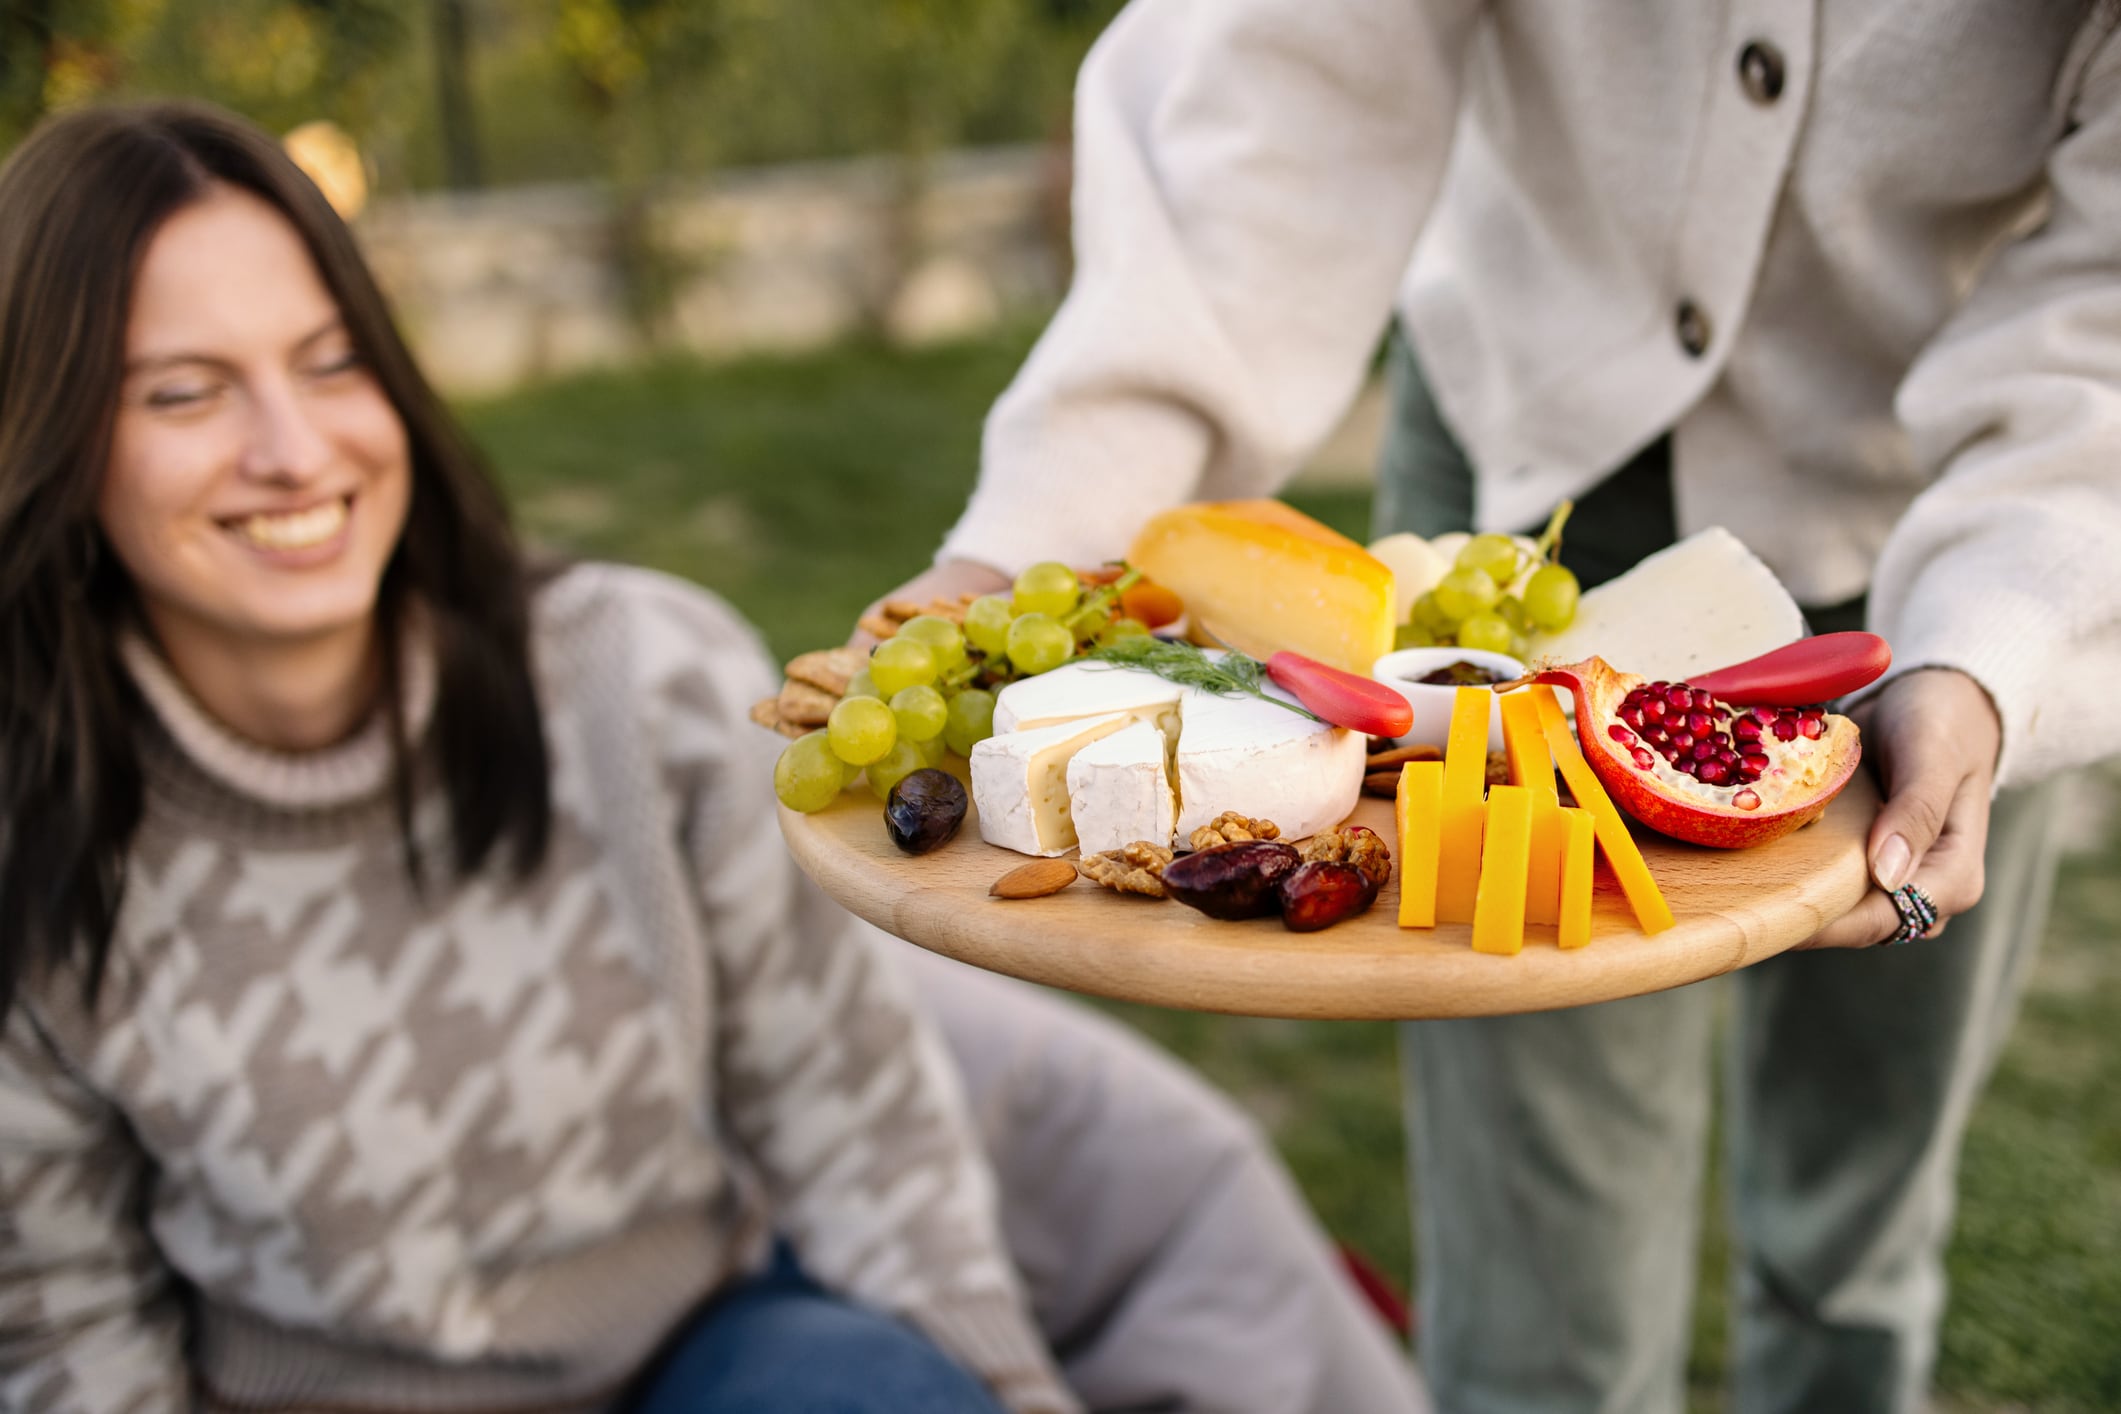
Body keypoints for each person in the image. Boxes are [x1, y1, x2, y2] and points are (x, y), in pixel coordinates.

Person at [0, 101, 1430, 1414]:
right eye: (183, 393)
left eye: (330, 361)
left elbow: (851, 1110)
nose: (293, 448)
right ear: (55, 436)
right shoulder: (33, 844)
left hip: (706, 1354)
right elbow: (64, 1328)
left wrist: (1003, 1386)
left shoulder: (635, 675)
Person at [884, 3, 2121, 1412]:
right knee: (1539, 1282)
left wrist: (1992, 644)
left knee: (1860, 1210)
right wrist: (1053, 518)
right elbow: (1283, 86)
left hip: (1961, 512)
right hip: (1515, 521)